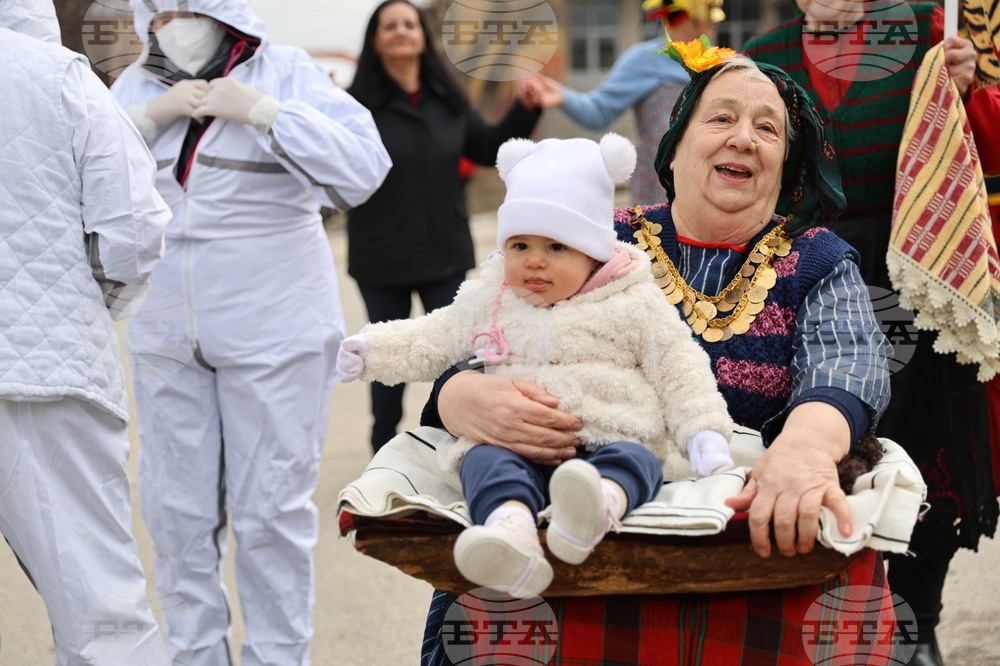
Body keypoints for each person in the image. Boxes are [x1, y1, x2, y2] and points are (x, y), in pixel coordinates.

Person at [420, 48, 896, 665]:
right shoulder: (591, 233)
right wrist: (460, 395)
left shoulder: (819, 261)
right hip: (558, 537)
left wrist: (804, 452)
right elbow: (473, 325)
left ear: (788, 166)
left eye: (768, 128)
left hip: (738, 562)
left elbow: (850, 362)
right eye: (722, 118)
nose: (744, 139)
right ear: (674, 145)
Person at [109, 1, 391, 664]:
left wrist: (265, 112)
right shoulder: (135, 87)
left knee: (270, 513)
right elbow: (78, 176)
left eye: (185, 7)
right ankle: (196, 655)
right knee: (176, 515)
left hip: (275, 317)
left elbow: (363, 170)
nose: (171, 20)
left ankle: (276, 656)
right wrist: (149, 117)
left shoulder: (289, 72)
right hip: (166, 323)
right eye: (158, 9)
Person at [337, 134, 735, 598]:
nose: (535, 262)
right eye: (520, 245)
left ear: (593, 251)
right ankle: (511, 530)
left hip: (612, 433)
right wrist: (371, 350)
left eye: (557, 247)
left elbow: (679, 366)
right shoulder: (491, 299)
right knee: (482, 459)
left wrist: (702, 432)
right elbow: (431, 335)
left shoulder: (632, 300)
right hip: (516, 444)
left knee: (638, 459)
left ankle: (598, 505)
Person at [744, 4, 1000, 664]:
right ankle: (848, 620)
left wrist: (962, 88)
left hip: (913, 268)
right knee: (831, 441)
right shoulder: (765, 50)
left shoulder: (925, 31)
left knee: (919, 453)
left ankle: (918, 623)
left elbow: (966, 147)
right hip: (809, 272)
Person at [0, 0, 172, 663]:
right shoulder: (61, 76)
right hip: (52, 373)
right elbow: (134, 229)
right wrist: (91, 301)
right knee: (102, 613)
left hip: (52, 363)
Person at [346, 0, 544, 454]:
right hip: (382, 254)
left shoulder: (448, 100)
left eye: (409, 24)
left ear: (422, 36)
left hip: (443, 251)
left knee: (458, 354)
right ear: (375, 40)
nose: (401, 31)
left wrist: (526, 108)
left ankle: (454, 441)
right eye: (389, 25)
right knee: (388, 355)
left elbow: (486, 146)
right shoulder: (355, 108)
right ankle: (383, 447)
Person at [518, 0, 725, 204]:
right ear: (686, 17)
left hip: (711, 180)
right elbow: (599, 111)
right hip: (658, 186)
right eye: (708, 16)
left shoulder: (721, 63)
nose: (715, 24)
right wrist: (562, 95)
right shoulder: (645, 59)